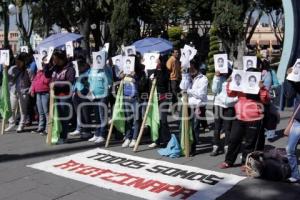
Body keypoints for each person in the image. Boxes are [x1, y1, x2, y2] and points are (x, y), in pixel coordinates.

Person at [219, 68, 270, 169]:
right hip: (239, 117)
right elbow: (231, 94)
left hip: (254, 118)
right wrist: (230, 83)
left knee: (249, 143)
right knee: (233, 140)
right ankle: (228, 161)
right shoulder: (242, 84)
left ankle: (246, 164)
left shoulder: (260, 86)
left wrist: (262, 88)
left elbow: (266, 100)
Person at [44, 50, 76, 145]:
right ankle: (56, 134)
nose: (54, 61)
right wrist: (46, 64)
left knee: (63, 117)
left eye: (56, 59)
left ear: (61, 59)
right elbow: (47, 75)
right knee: (55, 116)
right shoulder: (55, 68)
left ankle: (63, 136)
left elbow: (69, 82)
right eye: (53, 59)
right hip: (54, 95)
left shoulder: (70, 69)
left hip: (64, 96)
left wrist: (56, 85)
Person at [180, 59, 208, 154]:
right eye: (188, 68)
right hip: (185, 105)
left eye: (191, 68)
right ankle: (185, 145)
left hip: (196, 106)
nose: (190, 70)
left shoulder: (203, 79)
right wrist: (184, 77)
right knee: (184, 126)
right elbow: (182, 87)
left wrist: (188, 91)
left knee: (194, 127)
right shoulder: (187, 77)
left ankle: (193, 148)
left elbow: (201, 94)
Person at [211, 68, 238, 156]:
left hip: (229, 106)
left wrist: (234, 100)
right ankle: (215, 147)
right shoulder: (219, 77)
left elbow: (238, 91)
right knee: (217, 127)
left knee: (228, 128)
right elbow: (214, 90)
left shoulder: (236, 78)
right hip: (218, 104)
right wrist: (217, 77)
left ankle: (227, 147)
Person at [122, 56, 147, 148]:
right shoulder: (126, 71)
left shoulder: (141, 72)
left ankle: (134, 138)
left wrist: (135, 77)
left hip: (136, 98)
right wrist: (122, 75)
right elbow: (119, 79)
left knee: (136, 119)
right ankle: (127, 137)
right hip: (126, 97)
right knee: (128, 119)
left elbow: (143, 85)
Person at [87, 56, 113, 144]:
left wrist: (105, 69)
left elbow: (110, 81)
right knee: (97, 115)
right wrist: (90, 90)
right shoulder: (92, 69)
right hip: (94, 95)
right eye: (95, 59)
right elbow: (89, 80)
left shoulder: (105, 69)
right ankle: (97, 133)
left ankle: (102, 135)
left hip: (103, 95)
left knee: (102, 115)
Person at [5, 53, 31, 133]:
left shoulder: (28, 70)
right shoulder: (13, 68)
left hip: (24, 91)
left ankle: (21, 125)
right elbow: (8, 79)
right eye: (16, 61)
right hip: (13, 90)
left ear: (23, 62)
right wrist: (5, 70)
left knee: (23, 110)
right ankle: (11, 123)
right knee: (11, 108)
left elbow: (32, 81)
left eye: (19, 62)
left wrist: (29, 90)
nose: (17, 63)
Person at [148, 57, 171, 148]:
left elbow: (162, 81)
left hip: (163, 97)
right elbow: (151, 84)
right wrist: (152, 77)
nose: (157, 62)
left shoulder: (165, 71)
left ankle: (167, 139)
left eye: (158, 60)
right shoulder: (155, 71)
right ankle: (156, 140)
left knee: (163, 120)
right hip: (154, 98)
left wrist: (158, 74)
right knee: (155, 119)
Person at [68, 58, 91, 138]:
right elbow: (74, 83)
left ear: (84, 65)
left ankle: (88, 130)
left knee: (85, 113)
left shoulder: (89, 72)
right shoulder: (77, 73)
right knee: (79, 113)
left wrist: (82, 79)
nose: (78, 68)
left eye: (79, 66)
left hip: (85, 94)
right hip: (76, 93)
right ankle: (81, 129)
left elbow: (89, 82)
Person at [285, 67, 300, 183]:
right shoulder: (297, 84)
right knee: (289, 149)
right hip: (298, 122)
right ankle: (295, 175)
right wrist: (290, 78)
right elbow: (289, 96)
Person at [30, 56, 51, 134]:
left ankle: (48, 128)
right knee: (40, 111)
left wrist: (45, 72)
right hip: (38, 93)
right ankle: (41, 127)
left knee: (46, 112)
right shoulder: (38, 72)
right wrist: (32, 90)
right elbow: (34, 81)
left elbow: (47, 81)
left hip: (45, 93)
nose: (41, 65)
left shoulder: (47, 71)